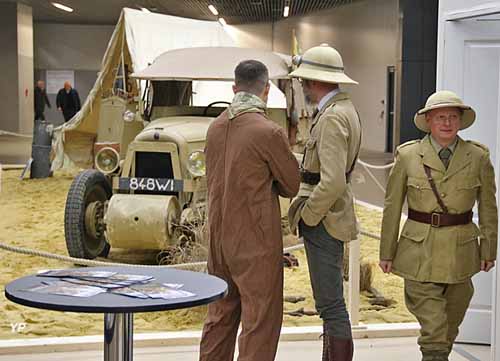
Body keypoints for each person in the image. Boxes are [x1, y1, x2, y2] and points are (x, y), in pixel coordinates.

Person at [379, 90, 498, 361]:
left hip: (461, 255)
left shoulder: (477, 157)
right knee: (434, 333)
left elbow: (489, 208)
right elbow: (392, 205)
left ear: (460, 121)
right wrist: (387, 252)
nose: (447, 123)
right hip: (419, 253)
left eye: (452, 117)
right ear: (429, 121)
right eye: (441, 117)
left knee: (448, 330)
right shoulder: (409, 155)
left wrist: (488, 249)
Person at [198, 60, 300, 361]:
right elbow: (291, 184)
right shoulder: (268, 132)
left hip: (217, 238)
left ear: (234, 88)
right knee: (260, 323)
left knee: (219, 316)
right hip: (255, 241)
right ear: (266, 90)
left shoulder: (214, 128)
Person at [288, 44, 361, 361]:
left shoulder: (332, 117)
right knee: (331, 305)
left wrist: (308, 216)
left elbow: (332, 180)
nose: (302, 86)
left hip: (325, 220)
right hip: (332, 216)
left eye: (304, 80)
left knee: (330, 306)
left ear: (314, 81)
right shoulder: (344, 110)